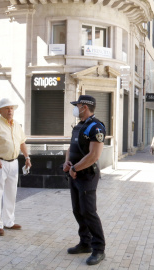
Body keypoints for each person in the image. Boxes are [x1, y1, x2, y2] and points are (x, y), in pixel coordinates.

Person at [63, 95, 106, 266]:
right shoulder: (79, 126)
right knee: (78, 210)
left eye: (77, 105)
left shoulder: (96, 127)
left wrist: (75, 168)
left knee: (89, 212)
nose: (75, 108)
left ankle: (99, 249)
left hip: (86, 175)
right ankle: (85, 243)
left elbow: (94, 155)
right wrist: (67, 162)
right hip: (74, 174)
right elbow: (71, 147)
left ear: (85, 107)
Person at [0, 98, 31, 236]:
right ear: (0, 111)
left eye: (12, 108)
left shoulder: (16, 125)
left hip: (14, 163)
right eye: (7, 108)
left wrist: (27, 157)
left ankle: (8, 222)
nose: (10, 111)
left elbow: (22, 142)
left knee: (11, 193)